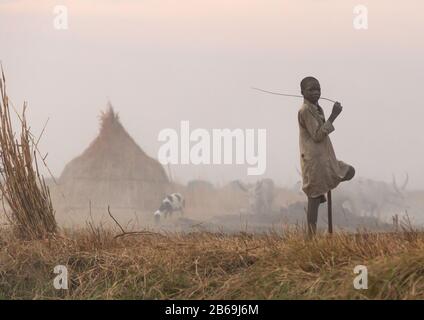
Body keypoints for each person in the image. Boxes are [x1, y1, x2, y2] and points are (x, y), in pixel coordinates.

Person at [298, 76, 355, 237]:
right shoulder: (304, 111)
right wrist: (333, 116)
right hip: (313, 161)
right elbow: (317, 136)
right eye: (311, 90)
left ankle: (326, 184)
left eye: (318, 89)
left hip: (325, 158)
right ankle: (310, 239)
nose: (316, 92)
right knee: (314, 197)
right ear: (302, 92)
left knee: (349, 171)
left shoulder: (316, 108)